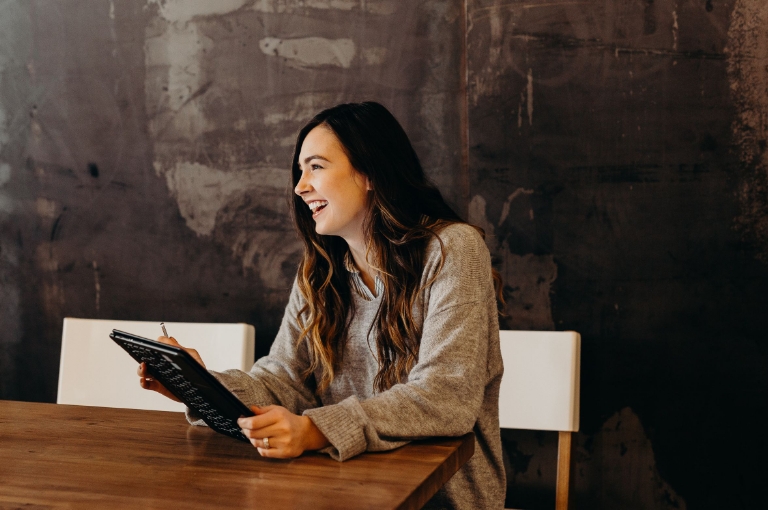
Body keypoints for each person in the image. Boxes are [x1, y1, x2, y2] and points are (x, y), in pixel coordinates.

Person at [138, 102, 506, 509]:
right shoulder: (320, 272)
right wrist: (200, 385)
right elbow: (284, 383)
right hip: (341, 490)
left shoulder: (452, 249)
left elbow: (445, 397)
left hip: (439, 498)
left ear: (369, 173)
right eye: (300, 171)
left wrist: (315, 430)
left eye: (315, 167)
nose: (300, 187)